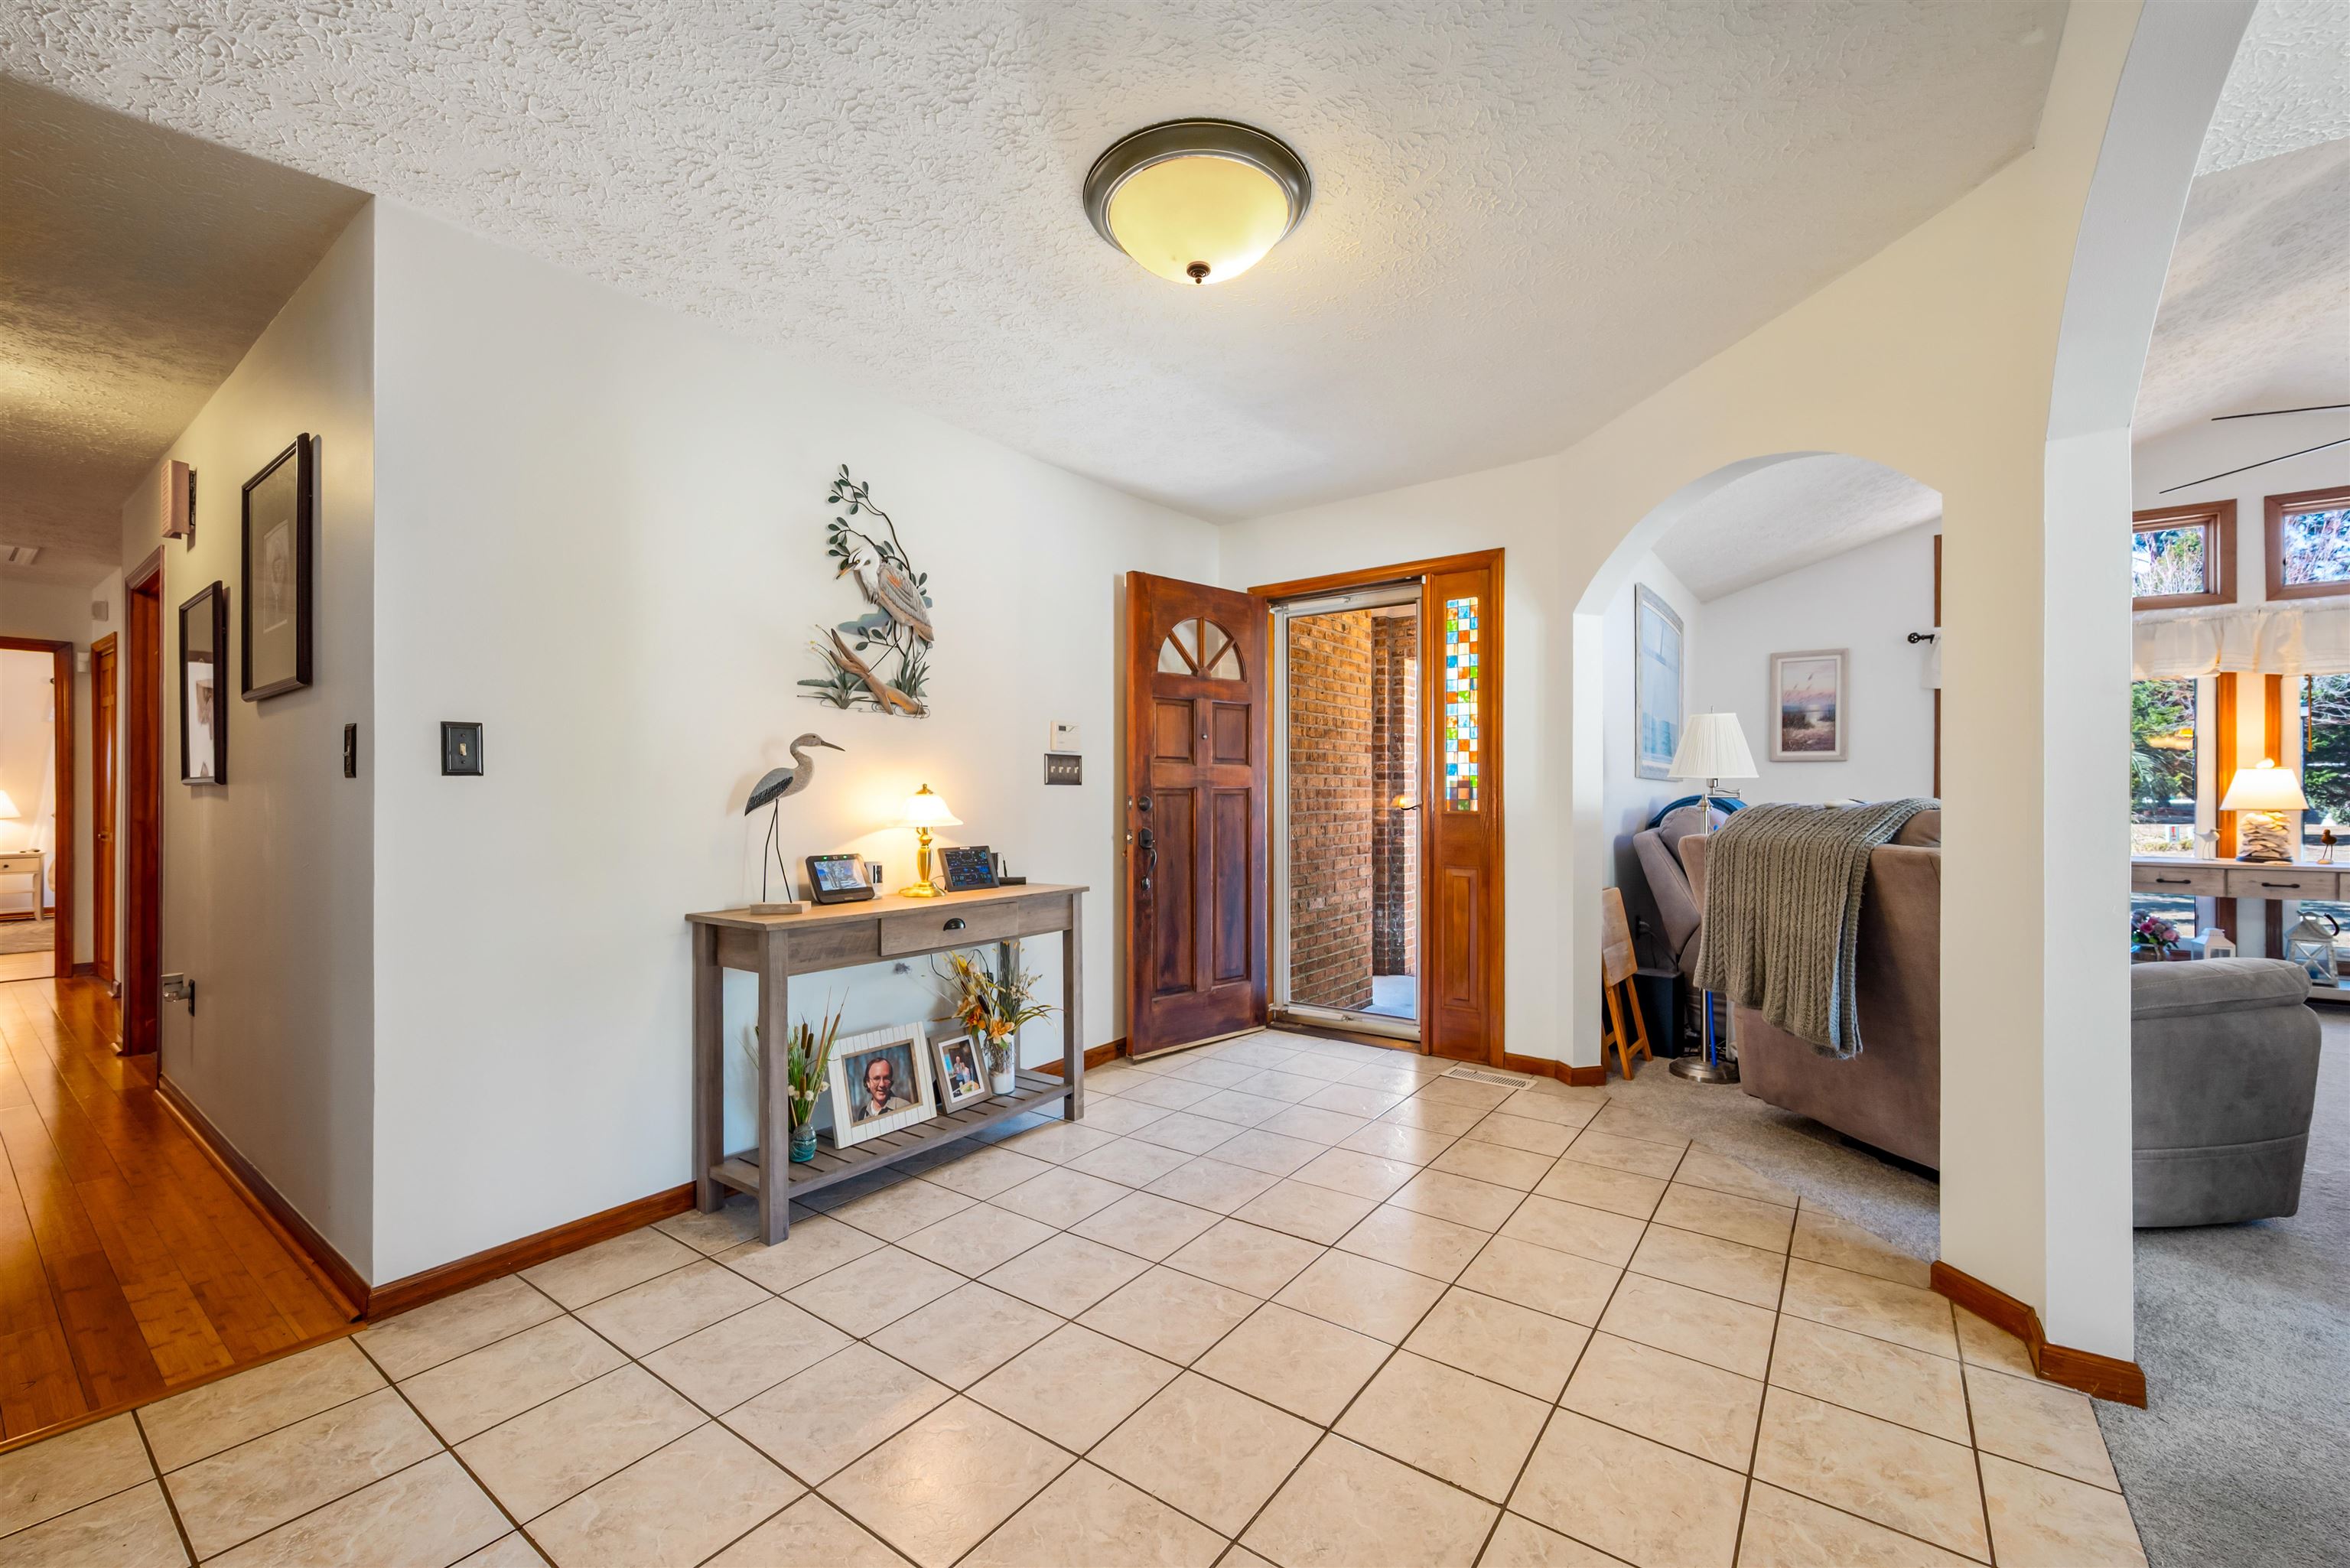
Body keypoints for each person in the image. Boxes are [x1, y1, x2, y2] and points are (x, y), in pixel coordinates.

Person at [858, 1053, 915, 1120]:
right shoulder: (862, 1115)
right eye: (877, 1078)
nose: (882, 1084)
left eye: (886, 1078)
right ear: (868, 1082)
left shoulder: (904, 1107)